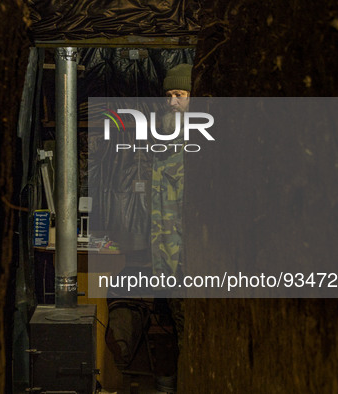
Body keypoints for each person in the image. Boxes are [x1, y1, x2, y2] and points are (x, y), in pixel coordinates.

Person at [150, 64, 192, 386]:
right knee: (180, 336)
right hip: (169, 261)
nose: (172, 101)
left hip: (192, 263)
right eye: (169, 95)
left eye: (179, 94)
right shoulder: (165, 144)